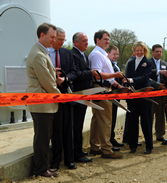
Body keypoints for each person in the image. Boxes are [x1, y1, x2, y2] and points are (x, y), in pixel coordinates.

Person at [26, 23, 60, 177]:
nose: (54, 40)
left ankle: (43, 166)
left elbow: (47, 75)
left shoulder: (41, 52)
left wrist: (53, 71)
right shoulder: (39, 54)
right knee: (42, 138)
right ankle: (40, 170)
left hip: (44, 104)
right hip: (41, 104)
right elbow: (47, 82)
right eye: (52, 37)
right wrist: (60, 95)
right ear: (42, 35)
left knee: (44, 137)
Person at [89, 30, 124, 159]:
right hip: (101, 88)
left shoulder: (101, 54)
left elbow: (107, 75)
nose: (107, 41)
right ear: (97, 40)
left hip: (105, 87)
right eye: (105, 39)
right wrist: (115, 75)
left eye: (108, 39)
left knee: (98, 120)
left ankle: (95, 146)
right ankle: (106, 149)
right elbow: (96, 74)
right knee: (106, 119)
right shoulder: (97, 54)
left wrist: (118, 85)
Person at [49, 27, 77, 170]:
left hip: (67, 95)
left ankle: (69, 160)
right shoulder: (45, 53)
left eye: (63, 40)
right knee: (56, 130)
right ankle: (56, 161)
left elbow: (74, 72)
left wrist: (65, 78)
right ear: (53, 39)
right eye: (59, 39)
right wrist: (55, 79)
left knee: (68, 128)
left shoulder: (67, 53)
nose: (61, 42)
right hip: (51, 96)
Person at [123, 41, 153, 154]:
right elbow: (127, 77)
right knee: (132, 122)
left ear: (144, 51)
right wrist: (127, 85)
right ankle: (133, 145)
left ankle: (149, 146)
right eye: (137, 50)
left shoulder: (148, 63)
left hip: (144, 96)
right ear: (134, 51)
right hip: (132, 97)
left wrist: (131, 80)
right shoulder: (130, 63)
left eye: (141, 50)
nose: (139, 52)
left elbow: (145, 78)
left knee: (146, 122)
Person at [71, 32, 95, 163]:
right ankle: (77, 154)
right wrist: (90, 73)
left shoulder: (83, 55)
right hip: (78, 96)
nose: (87, 43)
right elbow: (77, 74)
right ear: (76, 42)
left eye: (87, 40)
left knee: (79, 125)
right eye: (84, 41)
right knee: (76, 126)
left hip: (85, 95)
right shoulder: (73, 55)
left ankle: (78, 150)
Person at [106, 45, 125, 150]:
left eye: (117, 54)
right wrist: (119, 86)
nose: (116, 56)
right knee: (110, 118)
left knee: (113, 117)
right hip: (111, 93)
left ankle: (112, 138)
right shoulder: (108, 64)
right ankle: (109, 140)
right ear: (108, 54)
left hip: (117, 94)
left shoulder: (116, 65)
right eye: (114, 54)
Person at [149, 44, 167, 142]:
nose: (159, 53)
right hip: (150, 92)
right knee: (149, 115)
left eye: (160, 51)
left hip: (161, 93)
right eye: (157, 51)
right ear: (152, 52)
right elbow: (147, 75)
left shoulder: (165, 63)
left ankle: (160, 135)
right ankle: (148, 136)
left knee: (160, 115)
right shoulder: (147, 63)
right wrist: (157, 84)